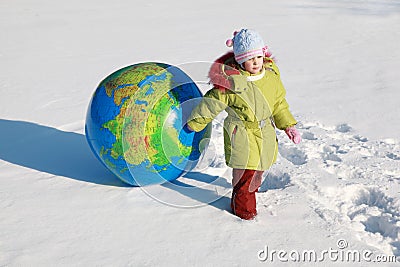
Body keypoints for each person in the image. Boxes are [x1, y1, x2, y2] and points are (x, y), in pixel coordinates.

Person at [186, 29, 301, 220]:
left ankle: (246, 193)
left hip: (264, 132)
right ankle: (244, 212)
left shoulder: (270, 77)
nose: (256, 62)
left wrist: (288, 125)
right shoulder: (231, 83)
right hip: (242, 134)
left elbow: (279, 104)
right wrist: (195, 123)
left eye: (258, 56)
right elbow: (211, 104)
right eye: (250, 58)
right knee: (245, 175)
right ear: (240, 60)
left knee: (259, 169)